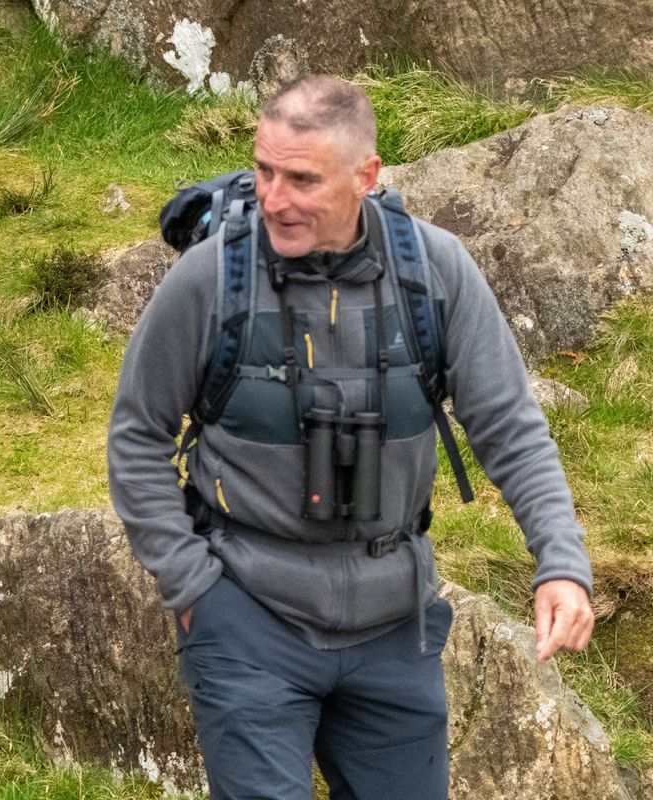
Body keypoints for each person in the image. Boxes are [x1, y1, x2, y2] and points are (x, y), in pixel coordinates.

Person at [107, 75, 594, 799]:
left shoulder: (436, 272)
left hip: (396, 626)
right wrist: (190, 585)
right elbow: (136, 435)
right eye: (265, 171)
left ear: (366, 176)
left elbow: (512, 429)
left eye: (302, 178)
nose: (274, 199)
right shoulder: (210, 279)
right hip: (246, 613)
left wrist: (561, 561)